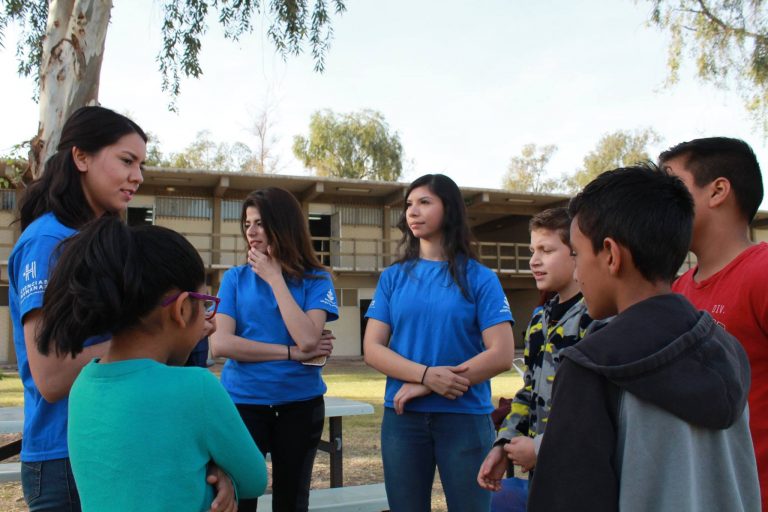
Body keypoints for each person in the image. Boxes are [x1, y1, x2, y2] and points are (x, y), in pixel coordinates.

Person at [528, 164, 760, 511]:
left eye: (576, 254)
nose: (576, 270)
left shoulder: (592, 368)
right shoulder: (726, 346)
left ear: (610, 255)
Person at [36, 217, 267, 511]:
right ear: (182, 309)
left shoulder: (83, 384)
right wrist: (220, 474)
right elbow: (255, 478)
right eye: (205, 303)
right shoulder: (197, 388)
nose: (208, 314)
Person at [7, 106, 150, 511]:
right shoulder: (47, 242)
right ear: (81, 157)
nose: (137, 176)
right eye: (126, 160)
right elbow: (51, 377)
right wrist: (146, 339)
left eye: (141, 164)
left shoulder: (106, 240)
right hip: (64, 457)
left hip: (118, 445)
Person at [363, 173, 516, 512]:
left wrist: (428, 384)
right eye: (409, 204)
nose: (412, 211)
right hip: (403, 420)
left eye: (424, 202)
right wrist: (425, 375)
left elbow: (501, 353)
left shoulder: (481, 278)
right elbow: (372, 348)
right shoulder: (392, 278)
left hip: (465, 419)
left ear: (450, 210)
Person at [210, 187, 338, 512]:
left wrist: (276, 279)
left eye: (260, 223)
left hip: (300, 406)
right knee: (242, 498)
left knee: (292, 501)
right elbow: (222, 343)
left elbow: (309, 339)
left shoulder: (317, 279)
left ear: (283, 225)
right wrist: (292, 353)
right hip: (243, 405)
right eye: (247, 223)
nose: (250, 232)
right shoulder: (234, 279)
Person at [659, 137, 768, 508]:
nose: (659, 204)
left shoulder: (762, 273)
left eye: (672, 187)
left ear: (718, 190)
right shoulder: (677, 290)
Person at [477, 207, 593, 492]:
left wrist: (542, 448)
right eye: (532, 250)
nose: (534, 261)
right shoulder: (540, 320)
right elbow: (529, 391)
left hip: (584, 475)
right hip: (543, 478)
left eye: (546, 250)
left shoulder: (595, 318)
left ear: (577, 252)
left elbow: (591, 407)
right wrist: (503, 444)